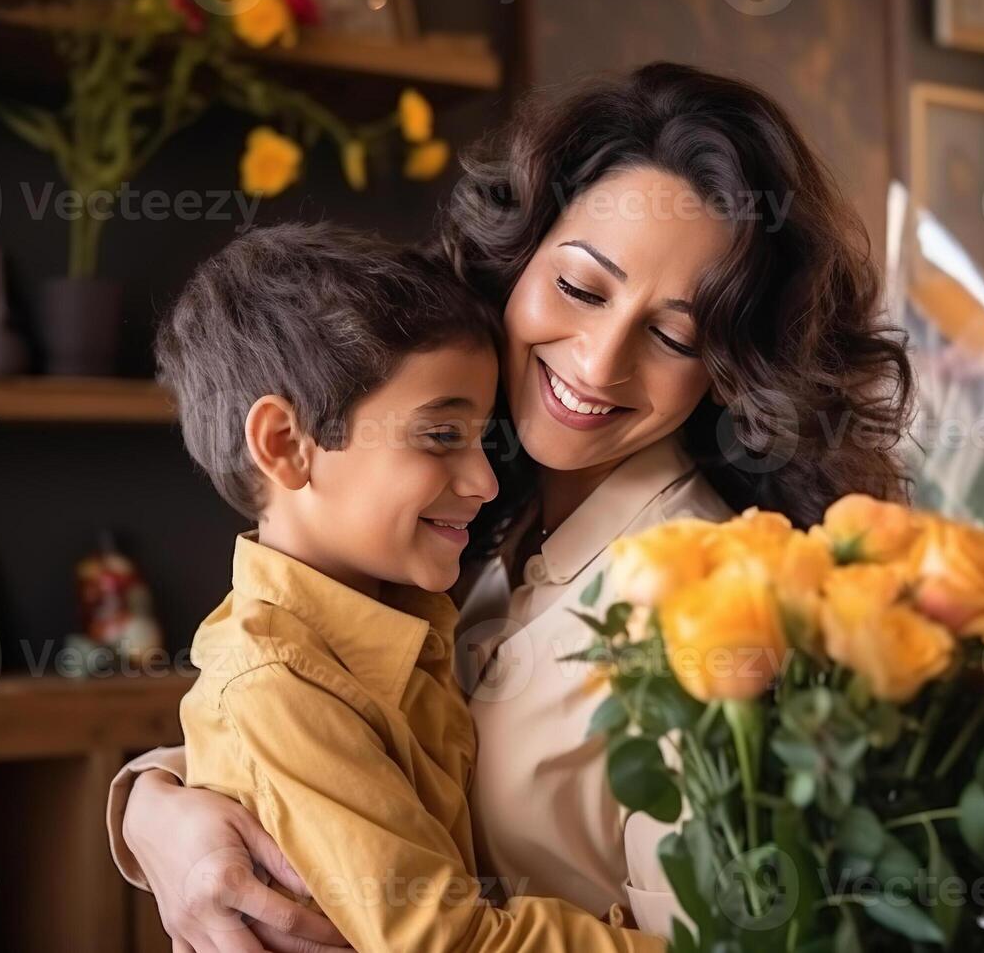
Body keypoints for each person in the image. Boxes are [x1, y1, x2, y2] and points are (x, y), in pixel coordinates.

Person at [108, 63, 913, 952]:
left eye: (674, 334)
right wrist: (159, 806)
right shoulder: (470, 517)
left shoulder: (708, 603)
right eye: (580, 288)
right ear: (519, 257)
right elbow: (343, 723)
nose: (600, 363)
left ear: (728, 368)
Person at [156, 222, 659, 951]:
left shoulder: (405, 617)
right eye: (440, 437)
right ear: (285, 445)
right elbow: (447, 942)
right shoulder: (274, 684)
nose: (486, 482)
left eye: (484, 440)